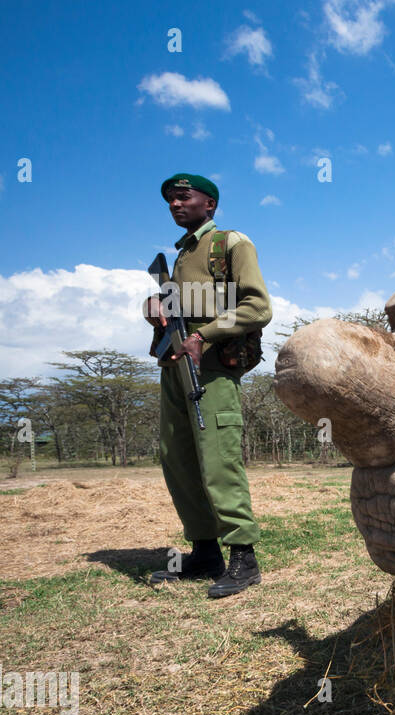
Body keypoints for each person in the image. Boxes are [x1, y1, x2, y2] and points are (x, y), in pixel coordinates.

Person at [145, 174, 271, 597]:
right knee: (177, 458)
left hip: (212, 368)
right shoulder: (181, 256)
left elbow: (257, 305)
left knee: (218, 460)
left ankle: (243, 557)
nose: (175, 205)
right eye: (169, 201)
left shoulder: (230, 243)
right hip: (174, 366)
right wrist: (158, 311)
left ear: (209, 204)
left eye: (184, 197)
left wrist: (203, 336)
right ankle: (204, 552)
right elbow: (184, 309)